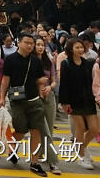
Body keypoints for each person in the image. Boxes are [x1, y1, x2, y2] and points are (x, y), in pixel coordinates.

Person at [0, 32, 48, 177]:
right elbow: (5, 80)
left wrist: (42, 88)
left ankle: (35, 163)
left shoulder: (36, 61)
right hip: (17, 101)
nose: (30, 46)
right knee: (20, 130)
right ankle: (12, 148)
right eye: (27, 43)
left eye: (31, 43)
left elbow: (41, 78)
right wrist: (2, 98)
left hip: (34, 100)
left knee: (36, 131)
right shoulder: (10, 59)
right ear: (18, 43)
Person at [58, 37, 98, 171]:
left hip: (88, 101)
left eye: (81, 47)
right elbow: (64, 84)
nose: (80, 50)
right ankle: (82, 156)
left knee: (95, 129)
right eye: (77, 47)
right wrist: (64, 102)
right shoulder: (66, 63)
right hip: (73, 102)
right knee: (80, 128)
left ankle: (82, 148)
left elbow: (92, 83)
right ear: (70, 49)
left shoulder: (88, 64)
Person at [33, 36, 61, 175]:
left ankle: (45, 155)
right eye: (37, 44)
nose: (40, 47)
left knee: (49, 129)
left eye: (42, 45)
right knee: (45, 131)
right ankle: (53, 162)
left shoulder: (48, 61)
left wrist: (50, 87)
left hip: (49, 97)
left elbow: (54, 80)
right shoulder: (30, 61)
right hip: (35, 98)